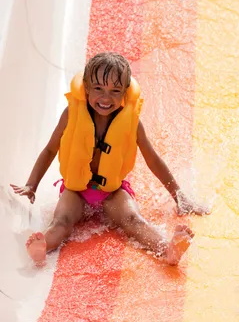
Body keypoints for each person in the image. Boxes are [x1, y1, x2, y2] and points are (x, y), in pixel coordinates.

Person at [11, 52, 207, 266]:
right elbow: (50, 149)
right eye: (98, 89)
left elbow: (153, 160)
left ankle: (167, 250)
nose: (106, 98)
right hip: (76, 191)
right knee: (62, 221)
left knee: (134, 220)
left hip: (112, 191)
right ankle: (43, 246)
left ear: (124, 92)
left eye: (115, 91)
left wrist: (178, 195)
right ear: (85, 87)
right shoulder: (72, 114)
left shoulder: (131, 122)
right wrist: (32, 185)